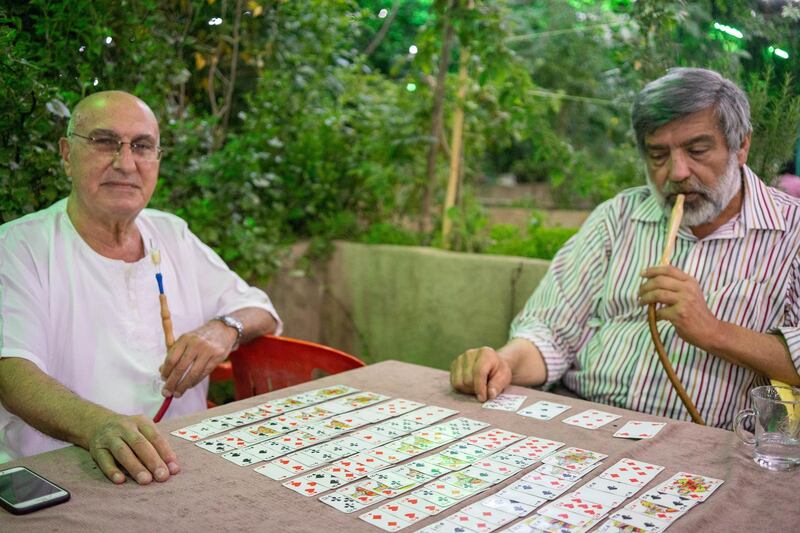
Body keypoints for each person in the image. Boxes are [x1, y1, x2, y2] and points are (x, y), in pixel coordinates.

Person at [450, 68, 800, 429]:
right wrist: (503, 363)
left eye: (697, 150)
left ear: (741, 145)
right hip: (578, 421)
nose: (678, 172)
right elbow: (551, 331)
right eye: (658, 155)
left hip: (703, 446)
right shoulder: (618, 216)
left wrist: (713, 331)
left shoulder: (792, 231)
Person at [0, 91, 282, 484]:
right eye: (104, 142)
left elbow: (260, 309)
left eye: (142, 146)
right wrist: (97, 426)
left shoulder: (171, 233)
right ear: (67, 154)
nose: (126, 162)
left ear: (157, 160)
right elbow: (11, 370)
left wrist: (223, 329)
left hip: (188, 467)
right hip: (65, 476)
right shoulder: (18, 246)